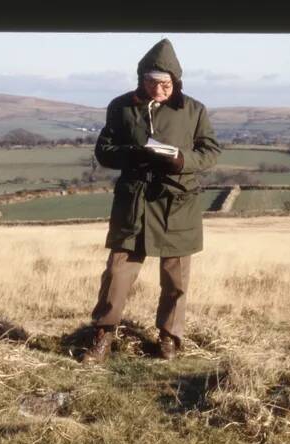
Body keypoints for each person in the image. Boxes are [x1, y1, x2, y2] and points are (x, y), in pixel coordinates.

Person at [83, 38, 221, 363]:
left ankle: (169, 339)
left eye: (167, 83)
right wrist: (133, 154)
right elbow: (104, 151)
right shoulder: (120, 107)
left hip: (177, 204)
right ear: (142, 79)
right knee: (117, 275)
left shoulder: (194, 110)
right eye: (154, 82)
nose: (160, 89)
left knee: (176, 280)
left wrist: (182, 160)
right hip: (133, 206)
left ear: (176, 81)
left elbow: (211, 152)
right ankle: (103, 336)